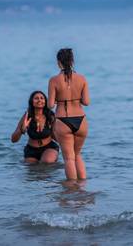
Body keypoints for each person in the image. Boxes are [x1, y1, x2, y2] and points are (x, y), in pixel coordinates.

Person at [48, 48, 90, 181]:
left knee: (68, 158)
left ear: (58, 62)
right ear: (72, 61)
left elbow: (50, 105)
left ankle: (71, 189)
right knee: (77, 155)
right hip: (81, 120)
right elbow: (86, 102)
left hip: (63, 120)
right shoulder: (82, 78)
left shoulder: (54, 80)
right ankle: (82, 187)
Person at [11, 91, 59, 164]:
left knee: (46, 162)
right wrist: (22, 130)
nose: (39, 100)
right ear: (31, 102)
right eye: (36, 98)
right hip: (31, 150)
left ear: (45, 101)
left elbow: (55, 136)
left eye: (42, 98)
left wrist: (67, 139)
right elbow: (13, 140)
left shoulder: (50, 116)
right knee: (32, 169)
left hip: (49, 147)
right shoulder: (27, 116)